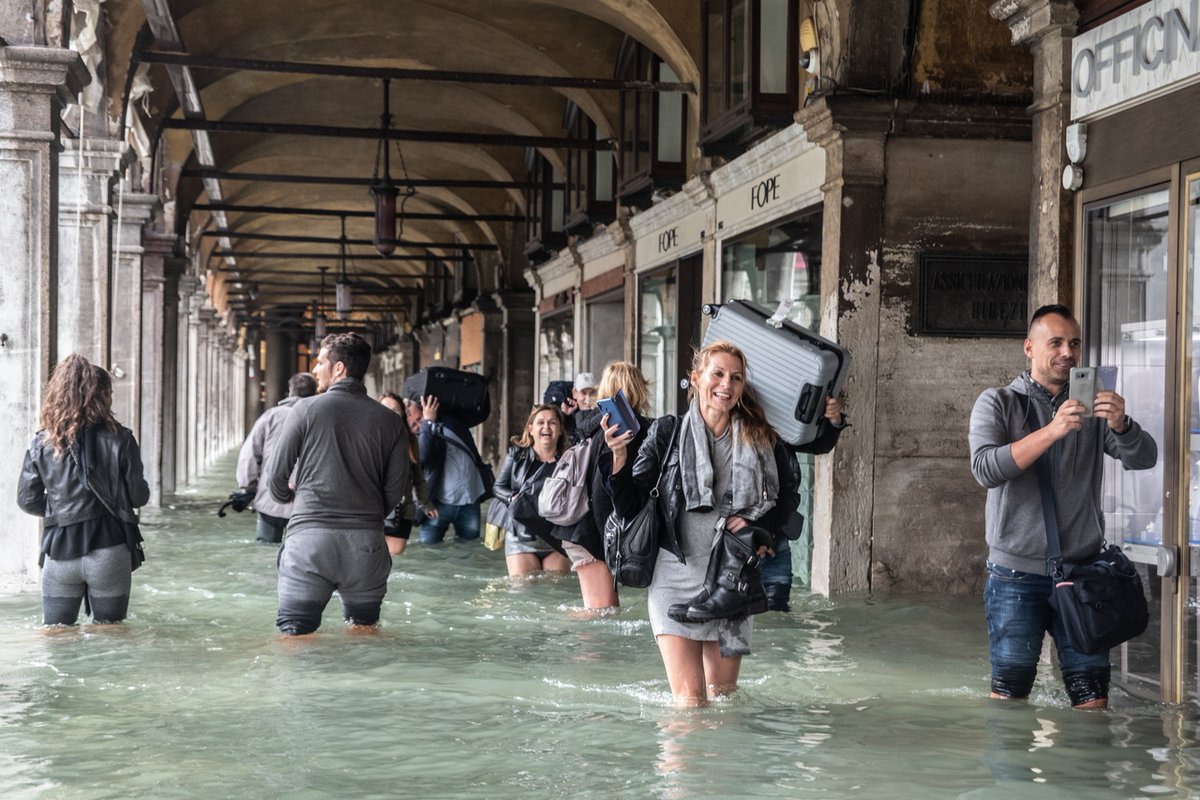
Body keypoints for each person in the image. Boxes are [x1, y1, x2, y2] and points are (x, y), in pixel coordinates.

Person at [969, 304, 1157, 709]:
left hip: (1084, 572)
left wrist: (1122, 426)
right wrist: (1052, 431)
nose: (1067, 352)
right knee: (1009, 696)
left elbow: (1144, 459)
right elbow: (985, 469)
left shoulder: (1090, 409)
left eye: (1074, 343)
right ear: (1030, 348)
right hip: (1015, 574)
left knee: (1092, 700)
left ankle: (1085, 773)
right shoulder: (997, 402)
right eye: (1055, 342)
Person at [608, 341, 796, 705]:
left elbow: (787, 497)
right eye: (718, 374)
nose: (726, 384)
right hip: (674, 578)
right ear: (696, 378)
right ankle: (678, 763)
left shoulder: (761, 437)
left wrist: (761, 529)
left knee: (724, 699)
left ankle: (717, 763)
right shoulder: (667, 433)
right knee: (691, 702)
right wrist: (618, 456)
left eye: (736, 378)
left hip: (732, 579)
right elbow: (629, 504)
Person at [265, 333, 409, 635]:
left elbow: (277, 474)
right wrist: (366, 512)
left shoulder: (304, 409)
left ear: (339, 368)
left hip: (309, 540)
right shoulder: (391, 421)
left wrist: (289, 497)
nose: (316, 370)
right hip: (366, 544)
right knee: (364, 633)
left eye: (320, 363)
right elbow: (396, 491)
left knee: (295, 635)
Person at [17, 354, 150, 626]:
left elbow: (27, 500)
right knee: (110, 638)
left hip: (60, 552)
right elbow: (139, 497)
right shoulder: (122, 438)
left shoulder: (41, 442)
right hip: (110, 550)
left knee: (55, 636)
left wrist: (61, 507)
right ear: (101, 396)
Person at [553, 361, 654, 610]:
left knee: (605, 611)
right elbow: (600, 495)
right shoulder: (613, 431)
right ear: (638, 388)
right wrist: (610, 544)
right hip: (589, 534)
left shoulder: (604, 426)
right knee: (601, 612)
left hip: (586, 530)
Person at [758, 394, 847, 611]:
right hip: (742, 545)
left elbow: (820, 445)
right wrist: (753, 536)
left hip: (776, 541)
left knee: (777, 618)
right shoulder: (724, 432)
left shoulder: (776, 426)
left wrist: (834, 419)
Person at [236, 372, 317, 544]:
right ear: (315, 392)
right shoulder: (319, 418)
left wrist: (248, 488)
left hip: (269, 500)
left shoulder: (271, 416)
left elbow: (249, 455)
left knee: (264, 555)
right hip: (305, 505)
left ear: (290, 391)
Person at [494, 405, 572, 577]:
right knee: (522, 590)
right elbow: (498, 487)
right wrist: (512, 498)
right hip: (520, 537)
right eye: (540, 422)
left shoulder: (569, 460)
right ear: (530, 429)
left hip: (556, 539)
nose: (546, 427)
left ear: (560, 430)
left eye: (552, 423)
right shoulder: (517, 455)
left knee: (553, 591)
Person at [415, 394, 490, 544]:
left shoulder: (451, 423)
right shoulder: (415, 436)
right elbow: (423, 456)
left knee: (470, 551)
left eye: (418, 418)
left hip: (469, 501)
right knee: (429, 550)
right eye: (412, 421)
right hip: (437, 505)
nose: (417, 423)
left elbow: (480, 412)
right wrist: (427, 423)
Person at [379, 392, 437, 556]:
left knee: (396, 552)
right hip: (374, 506)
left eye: (395, 409)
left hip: (403, 507)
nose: (390, 413)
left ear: (403, 413)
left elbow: (418, 477)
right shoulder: (369, 437)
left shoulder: (410, 440)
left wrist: (426, 504)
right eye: (385, 408)